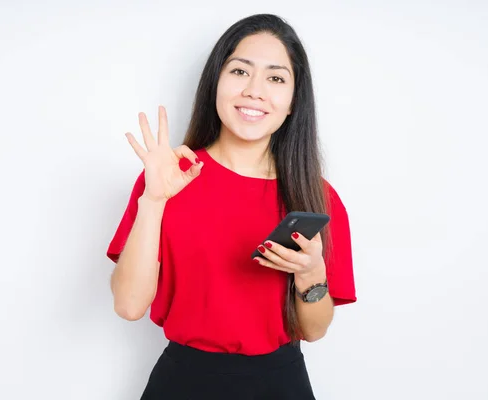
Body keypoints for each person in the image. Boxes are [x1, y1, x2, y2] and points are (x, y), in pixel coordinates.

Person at [106, 13, 357, 400]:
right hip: (182, 383)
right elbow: (128, 305)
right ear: (215, 85)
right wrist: (153, 200)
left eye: (275, 78)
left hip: (280, 383)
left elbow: (314, 330)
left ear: (292, 102)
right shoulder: (167, 179)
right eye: (240, 71)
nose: (255, 91)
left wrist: (311, 275)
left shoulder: (316, 197)